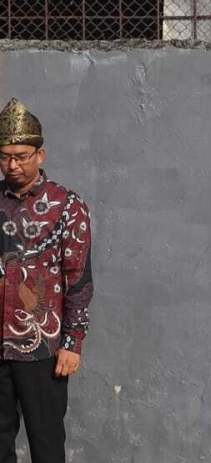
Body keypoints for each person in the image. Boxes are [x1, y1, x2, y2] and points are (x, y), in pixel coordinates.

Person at [0, 98, 93, 463]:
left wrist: (73, 341)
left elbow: (78, 278)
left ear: (40, 154)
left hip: (42, 349)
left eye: (21, 156)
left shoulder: (66, 206)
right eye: (5, 157)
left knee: (47, 443)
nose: (13, 165)